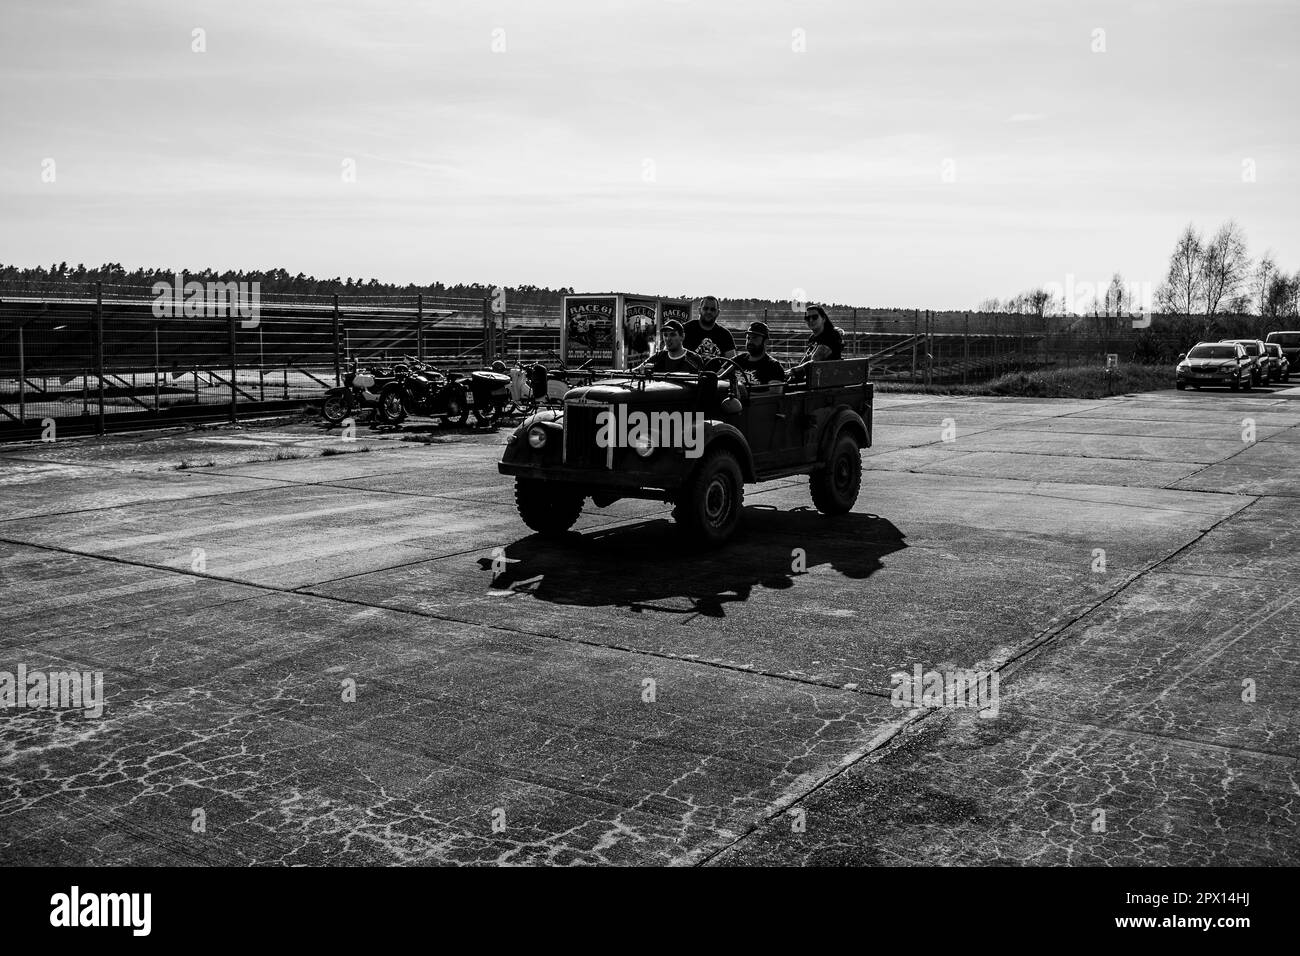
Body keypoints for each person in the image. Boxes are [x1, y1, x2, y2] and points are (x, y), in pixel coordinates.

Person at [788, 305, 844, 380]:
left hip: (828, 382)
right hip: (816, 380)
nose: (811, 320)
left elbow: (815, 361)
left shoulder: (831, 335)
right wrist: (791, 374)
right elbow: (806, 359)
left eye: (815, 317)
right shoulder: (812, 338)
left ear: (823, 319)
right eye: (807, 318)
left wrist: (793, 371)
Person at [635, 320, 702, 374]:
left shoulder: (693, 359)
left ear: (682, 336)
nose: (668, 338)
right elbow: (635, 370)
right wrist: (641, 371)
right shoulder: (658, 357)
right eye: (665, 335)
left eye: (672, 334)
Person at [682, 295, 736, 361]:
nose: (709, 312)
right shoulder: (685, 329)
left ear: (718, 312)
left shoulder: (725, 335)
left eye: (712, 309)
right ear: (699, 310)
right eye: (705, 308)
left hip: (718, 371)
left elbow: (731, 363)